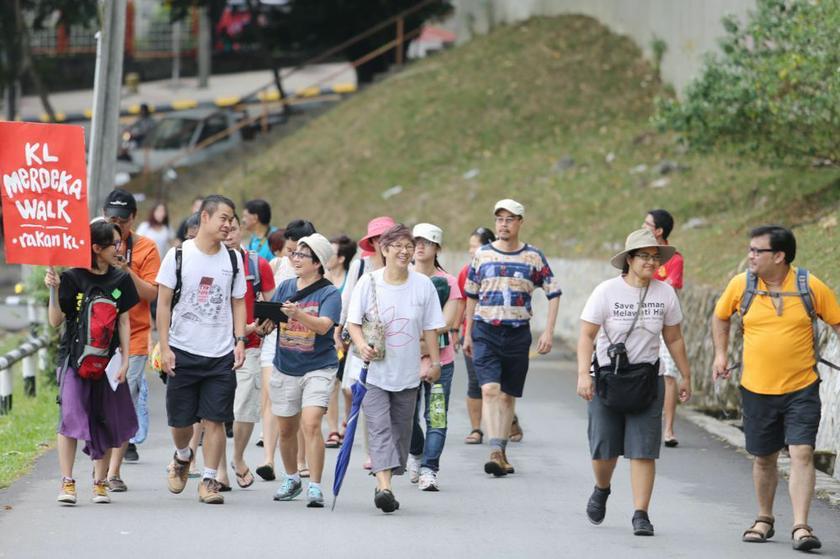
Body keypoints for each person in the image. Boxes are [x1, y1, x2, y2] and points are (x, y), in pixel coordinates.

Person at [712, 225, 840, 551]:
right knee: (764, 458)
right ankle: (764, 518)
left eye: (758, 251)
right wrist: (720, 354)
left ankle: (801, 527)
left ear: (779, 256)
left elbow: (837, 322)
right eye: (750, 249)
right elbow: (721, 316)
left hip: (802, 387)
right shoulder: (742, 285)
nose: (750, 256)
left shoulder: (809, 285)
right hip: (756, 388)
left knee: (802, 452)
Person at [576, 228, 691, 536]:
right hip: (607, 379)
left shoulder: (665, 293)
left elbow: (674, 338)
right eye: (644, 256)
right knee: (604, 450)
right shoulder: (606, 292)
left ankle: (641, 514)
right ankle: (602, 488)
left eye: (656, 257)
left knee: (643, 451)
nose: (651, 262)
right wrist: (583, 375)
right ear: (629, 259)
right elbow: (586, 335)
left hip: (646, 380)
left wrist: (685, 375)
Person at [347, 224, 445, 513]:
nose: (404, 251)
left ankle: (385, 481)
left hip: (407, 374)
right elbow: (353, 323)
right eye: (398, 246)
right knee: (379, 429)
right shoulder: (369, 282)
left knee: (401, 434)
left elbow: (431, 328)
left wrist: (435, 362)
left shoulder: (423, 285)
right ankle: (384, 487)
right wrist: (362, 344)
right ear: (384, 249)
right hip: (373, 372)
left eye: (408, 246)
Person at [156, 195, 247, 505]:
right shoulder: (178, 255)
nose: (229, 225)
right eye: (223, 218)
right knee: (180, 423)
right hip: (182, 350)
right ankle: (183, 456)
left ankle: (209, 480)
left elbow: (238, 302)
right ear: (205, 217)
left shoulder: (233, 259)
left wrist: (239, 340)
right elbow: (163, 304)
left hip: (220, 354)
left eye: (231, 219)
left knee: (215, 419)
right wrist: (165, 346)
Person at [462, 199, 561, 477]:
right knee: (489, 390)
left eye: (509, 219)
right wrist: (467, 333)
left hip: (518, 333)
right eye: (500, 219)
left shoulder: (533, 256)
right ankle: (495, 450)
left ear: (520, 223)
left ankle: (501, 451)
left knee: (507, 396)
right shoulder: (482, 255)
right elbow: (471, 295)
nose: (503, 224)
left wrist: (548, 331)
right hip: (485, 331)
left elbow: (554, 292)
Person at [46, 220, 140, 505]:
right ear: (97, 248)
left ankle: (100, 483)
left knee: (106, 419)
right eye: (114, 244)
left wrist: (125, 359)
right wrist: (53, 290)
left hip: (108, 363)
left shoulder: (121, 279)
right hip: (73, 360)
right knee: (71, 416)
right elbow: (55, 321)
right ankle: (67, 481)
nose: (119, 249)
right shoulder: (72, 277)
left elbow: (124, 321)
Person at [259, 234, 341, 508]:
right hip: (285, 366)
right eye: (294, 254)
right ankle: (292, 478)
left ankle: (315, 486)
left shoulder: (329, 293)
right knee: (286, 430)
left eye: (302, 255)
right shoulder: (285, 287)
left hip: (319, 366)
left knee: (312, 423)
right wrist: (262, 325)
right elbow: (273, 319)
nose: (295, 259)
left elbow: (324, 326)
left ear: (317, 263)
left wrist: (299, 315)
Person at [97, 189, 161, 491]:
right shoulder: (93, 242)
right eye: (112, 219)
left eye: (123, 220)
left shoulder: (146, 248)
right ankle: (100, 464)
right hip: (98, 337)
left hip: (133, 337)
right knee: (99, 403)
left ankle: (113, 472)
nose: (117, 224)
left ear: (133, 218)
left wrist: (126, 270)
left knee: (124, 402)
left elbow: (152, 294)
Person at [215, 214, 276, 491]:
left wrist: (259, 327)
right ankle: (218, 471)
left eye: (233, 229)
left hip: (249, 346)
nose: (228, 235)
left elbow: (272, 307)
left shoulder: (257, 264)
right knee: (215, 410)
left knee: (244, 409)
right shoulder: (206, 263)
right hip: (213, 347)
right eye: (223, 230)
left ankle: (237, 457)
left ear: (242, 230)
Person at [257, 219, 317, 480]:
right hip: (275, 340)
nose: (294, 257)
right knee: (272, 397)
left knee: (300, 403)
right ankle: (268, 460)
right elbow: (266, 301)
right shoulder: (276, 265)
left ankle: (301, 459)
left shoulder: (318, 273)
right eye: (290, 250)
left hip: (304, 341)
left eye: (300, 252)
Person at [407, 223, 463, 491]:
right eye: (416, 241)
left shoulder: (448, 282)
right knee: (405, 415)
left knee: (436, 416)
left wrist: (415, 332)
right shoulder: (402, 278)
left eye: (427, 242)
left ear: (437, 248)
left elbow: (447, 323)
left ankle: (430, 468)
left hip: (442, 361)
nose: (420, 246)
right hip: (406, 360)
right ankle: (416, 452)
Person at [337, 216, 394, 470]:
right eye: (377, 238)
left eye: (386, 237)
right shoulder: (360, 265)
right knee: (361, 392)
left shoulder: (405, 266)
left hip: (395, 339)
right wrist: (340, 329)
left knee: (392, 395)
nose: (381, 242)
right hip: (364, 338)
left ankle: (389, 448)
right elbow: (348, 299)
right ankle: (373, 451)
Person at [642, 209, 685, 448]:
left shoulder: (674, 259)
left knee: (669, 373)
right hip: (640, 320)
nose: (643, 226)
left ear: (658, 231)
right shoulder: (637, 253)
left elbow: (669, 287)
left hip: (665, 321)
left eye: (647, 224)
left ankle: (668, 429)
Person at [457, 226, 495, 444]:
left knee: (495, 383)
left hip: (496, 332)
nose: (472, 251)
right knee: (475, 381)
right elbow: (461, 303)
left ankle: (508, 420)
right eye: (470, 246)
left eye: (476, 246)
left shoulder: (500, 269)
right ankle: (476, 429)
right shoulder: (466, 271)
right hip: (471, 333)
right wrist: (457, 331)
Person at [324, 234, 358, 448]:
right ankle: (333, 430)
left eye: (331, 252)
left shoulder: (350, 278)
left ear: (341, 258)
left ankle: (347, 421)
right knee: (331, 385)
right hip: (324, 338)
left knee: (348, 387)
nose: (326, 256)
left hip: (346, 339)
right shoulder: (322, 277)